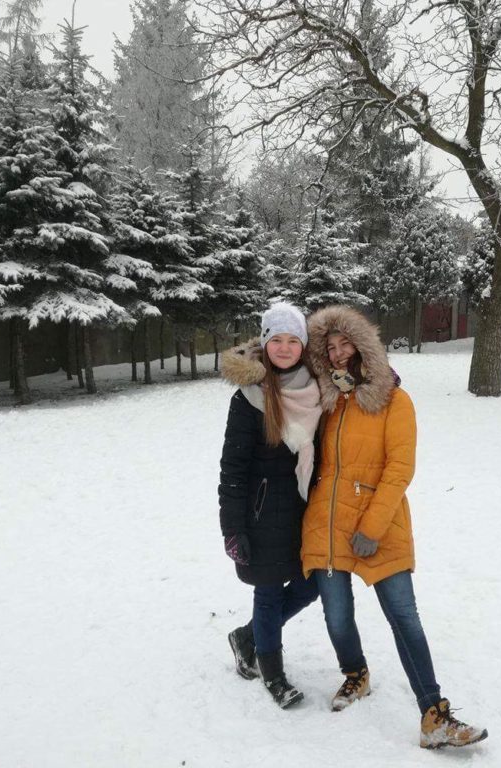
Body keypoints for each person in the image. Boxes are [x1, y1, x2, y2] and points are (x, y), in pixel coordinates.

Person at [300, 305, 487, 749]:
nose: (339, 353)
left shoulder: (394, 401)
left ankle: (433, 714)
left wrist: (373, 526)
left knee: (404, 617)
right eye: (330, 347)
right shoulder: (325, 402)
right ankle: (356, 674)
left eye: (346, 343)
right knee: (337, 615)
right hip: (326, 523)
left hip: (378, 525)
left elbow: (400, 468)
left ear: (364, 346)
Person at [219, 303, 322, 708]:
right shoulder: (248, 398)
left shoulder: (318, 389)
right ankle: (273, 673)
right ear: (264, 342)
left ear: (303, 345)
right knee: (268, 593)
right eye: (275, 339)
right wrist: (233, 528)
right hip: (261, 514)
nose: (283, 347)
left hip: (304, 510)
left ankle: (248, 636)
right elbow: (233, 468)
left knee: (313, 585)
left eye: (292, 340)